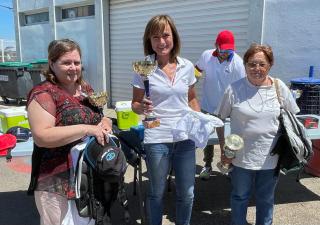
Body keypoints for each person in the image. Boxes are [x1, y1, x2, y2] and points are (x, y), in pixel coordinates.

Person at [26, 39, 112, 225]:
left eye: (77, 62)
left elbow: (99, 116)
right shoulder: (43, 93)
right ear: (52, 64)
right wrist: (86, 129)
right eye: (66, 62)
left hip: (90, 173)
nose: (73, 67)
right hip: (56, 178)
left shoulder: (86, 89)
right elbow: (42, 136)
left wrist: (105, 122)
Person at [217, 44, 299, 225]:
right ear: (245, 65)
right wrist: (224, 148)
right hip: (240, 158)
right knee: (239, 196)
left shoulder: (279, 88)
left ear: (270, 65)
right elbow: (219, 119)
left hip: (271, 157)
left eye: (262, 64)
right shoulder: (233, 89)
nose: (257, 69)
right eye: (252, 64)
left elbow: (293, 117)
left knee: (265, 199)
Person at [131, 15, 200, 225]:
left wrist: (199, 119)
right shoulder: (143, 68)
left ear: (174, 37)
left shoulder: (187, 66)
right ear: (149, 41)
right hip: (157, 137)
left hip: (184, 136)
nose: (161, 42)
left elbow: (191, 98)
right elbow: (135, 104)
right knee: (156, 192)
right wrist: (141, 107)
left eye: (165, 35)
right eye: (155, 37)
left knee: (187, 193)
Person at [195, 30, 245, 180]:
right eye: (223, 49)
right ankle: (208, 164)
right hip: (208, 105)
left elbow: (243, 87)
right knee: (207, 139)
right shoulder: (207, 55)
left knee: (230, 139)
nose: (225, 53)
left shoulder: (238, 63)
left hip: (228, 108)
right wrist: (191, 83)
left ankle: (229, 165)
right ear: (216, 45)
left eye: (229, 50)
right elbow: (197, 70)